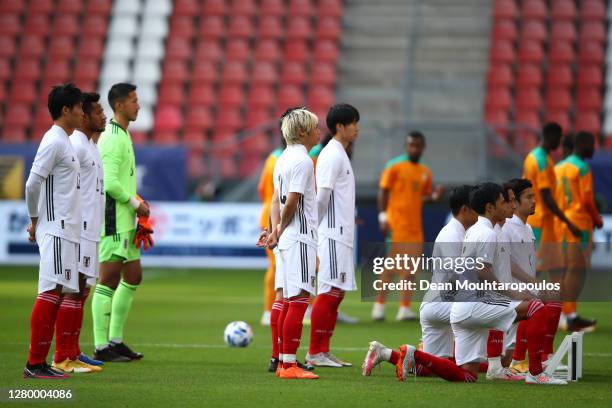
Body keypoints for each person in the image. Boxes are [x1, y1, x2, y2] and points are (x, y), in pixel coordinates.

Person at [362, 185, 477, 376]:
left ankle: (385, 353)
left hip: (440, 303)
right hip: (444, 304)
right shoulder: (452, 234)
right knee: (469, 370)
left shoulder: (462, 232)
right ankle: (503, 364)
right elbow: (456, 275)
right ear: (465, 209)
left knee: (429, 369)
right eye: (477, 206)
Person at [23, 83, 84, 378]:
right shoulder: (54, 141)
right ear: (65, 110)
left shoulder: (65, 141)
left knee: (57, 291)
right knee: (49, 291)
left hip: (66, 228)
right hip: (57, 228)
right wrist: (35, 220)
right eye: (79, 108)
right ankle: (34, 363)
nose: (82, 113)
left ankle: (40, 362)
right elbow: (32, 183)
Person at [92, 83, 150, 362]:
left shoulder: (122, 134)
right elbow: (110, 182)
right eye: (134, 101)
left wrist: (135, 207)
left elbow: (121, 181)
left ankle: (115, 340)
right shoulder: (112, 138)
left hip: (126, 220)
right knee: (108, 280)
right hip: (113, 219)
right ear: (119, 105)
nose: (138, 105)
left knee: (133, 275)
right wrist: (136, 204)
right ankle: (101, 346)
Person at [266, 108, 320, 379]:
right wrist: (280, 228)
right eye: (314, 127)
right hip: (299, 237)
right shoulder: (303, 161)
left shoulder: (283, 158)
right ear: (302, 132)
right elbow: (292, 201)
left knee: (289, 300)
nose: (318, 131)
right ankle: (289, 365)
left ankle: (284, 361)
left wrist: (274, 229)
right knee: (299, 300)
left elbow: (276, 200)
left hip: (288, 238)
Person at [306, 104, 360, 367]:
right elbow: (322, 195)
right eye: (353, 123)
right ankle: (315, 352)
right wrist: (314, 228)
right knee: (329, 290)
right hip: (332, 234)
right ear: (340, 126)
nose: (357, 128)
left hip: (342, 233)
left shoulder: (341, 153)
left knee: (337, 292)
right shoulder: (332, 155)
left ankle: (323, 350)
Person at [374, 131, 444, 321]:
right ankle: (379, 307)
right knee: (390, 266)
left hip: (415, 227)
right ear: (406, 146)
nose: (414, 148)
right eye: (411, 145)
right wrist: (383, 217)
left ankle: (404, 308)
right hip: (396, 224)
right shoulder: (394, 166)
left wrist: (434, 197)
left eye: (418, 145)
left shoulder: (424, 172)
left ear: (423, 147)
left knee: (411, 269)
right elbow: (383, 191)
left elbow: (422, 197)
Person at [523, 122, 580, 339]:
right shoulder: (540, 160)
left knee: (556, 269)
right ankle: (525, 311)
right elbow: (545, 196)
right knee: (534, 271)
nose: (560, 143)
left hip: (545, 224)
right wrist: (567, 220)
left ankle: (561, 313)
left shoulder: (537, 157)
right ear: (551, 136)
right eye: (559, 137)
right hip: (539, 223)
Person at [67, 92, 108, 371]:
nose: (103, 116)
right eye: (98, 112)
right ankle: (64, 355)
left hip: (92, 229)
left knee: (83, 290)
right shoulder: (76, 146)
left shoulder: (92, 146)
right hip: (78, 229)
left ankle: (73, 351)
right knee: (74, 290)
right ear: (84, 116)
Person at [554, 131, 603, 332]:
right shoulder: (582, 167)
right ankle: (569, 315)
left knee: (563, 271)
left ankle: (562, 314)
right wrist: (598, 220)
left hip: (561, 224)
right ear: (582, 144)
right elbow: (586, 200)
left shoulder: (558, 167)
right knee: (576, 272)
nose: (594, 148)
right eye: (592, 143)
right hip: (579, 224)